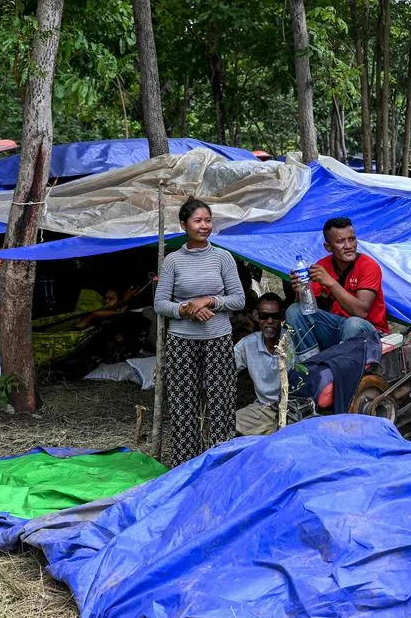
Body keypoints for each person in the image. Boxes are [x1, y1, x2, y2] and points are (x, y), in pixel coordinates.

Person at [154, 197, 246, 465]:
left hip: (218, 338)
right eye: (198, 221)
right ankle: (185, 463)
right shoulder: (172, 261)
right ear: (184, 224)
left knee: (222, 402)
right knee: (183, 404)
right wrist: (186, 309)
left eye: (207, 220)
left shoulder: (223, 258)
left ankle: (221, 462)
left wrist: (209, 301)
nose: (204, 226)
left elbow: (239, 300)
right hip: (181, 341)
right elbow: (160, 303)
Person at [285, 217, 388, 361]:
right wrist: (301, 289)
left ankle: (343, 371)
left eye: (352, 239)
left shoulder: (369, 266)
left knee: (353, 323)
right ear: (328, 247)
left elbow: (361, 312)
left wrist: (331, 283)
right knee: (294, 310)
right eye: (340, 241)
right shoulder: (322, 265)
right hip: (337, 329)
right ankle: (310, 367)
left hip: (370, 333)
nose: (348, 245)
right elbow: (303, 309)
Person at [234, 293, 292, 436]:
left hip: (293, 409)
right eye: (264, 316)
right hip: (264, 410)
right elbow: (224, 370)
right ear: (256, 316)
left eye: (275, 316)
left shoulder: (294, 340)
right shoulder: (248, 344)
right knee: (228, 423)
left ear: (283, 317)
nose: (270, 321)